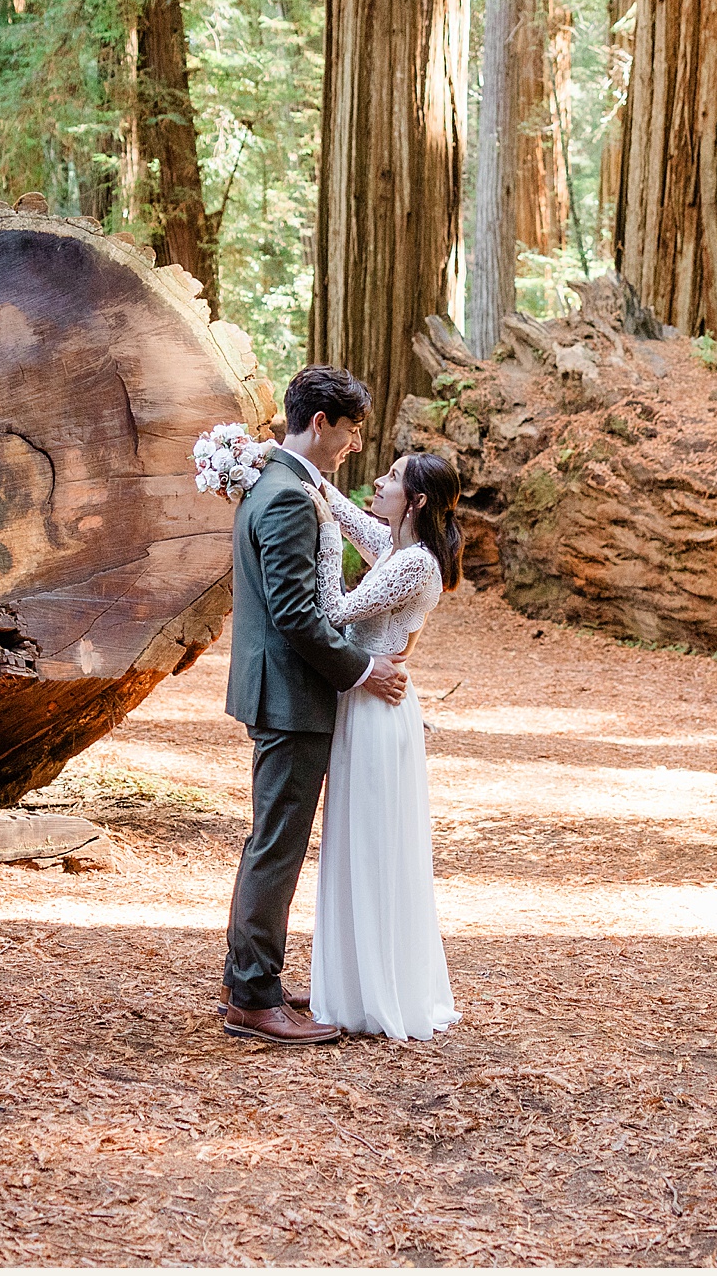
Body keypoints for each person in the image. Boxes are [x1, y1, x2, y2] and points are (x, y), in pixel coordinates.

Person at [219, 366, 408, 1045]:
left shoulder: (276, 479)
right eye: (352, 429)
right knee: (277, 843)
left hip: (276, 686)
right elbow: (297, 615)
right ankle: (252, 995)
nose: (354, 444)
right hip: (290, 694)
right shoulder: (291, 496)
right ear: (321, 422)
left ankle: (247, 973)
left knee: (268, 838)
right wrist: (362, 669)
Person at [308, 450, 463, 1041]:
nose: (379, 479)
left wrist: (324, 543)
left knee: (370, 843)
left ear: (416, 501)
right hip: (367, 702)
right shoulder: (396, 547)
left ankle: (375, 992)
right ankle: (355, 982)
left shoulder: (414, 564)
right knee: (354, 839)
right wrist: (267, 460)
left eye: (393, 477)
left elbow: (336, 612)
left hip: (377, 709)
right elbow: (346, 511)